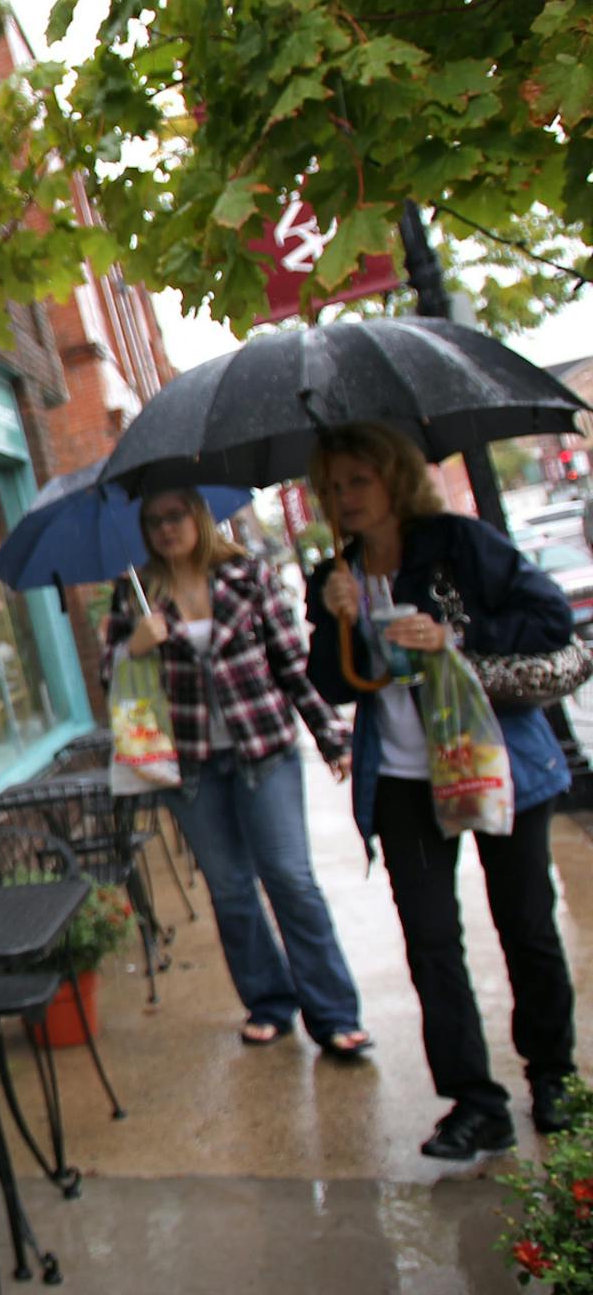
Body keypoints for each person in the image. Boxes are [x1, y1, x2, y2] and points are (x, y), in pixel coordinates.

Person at [305, 421, 578, 1161]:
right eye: (331, 486)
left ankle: (554, 1075)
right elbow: (332, 686)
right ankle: (474, 1102)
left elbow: (550, 617)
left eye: (357, 480)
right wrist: (336, 621)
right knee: (431, 944)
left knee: (525, 923)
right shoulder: (333, 573)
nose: (344, 497)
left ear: (393, 478)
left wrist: (453, 635)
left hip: (490, 759)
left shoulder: (458, 543)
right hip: (401, 780)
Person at [105, 487, 371, 1059]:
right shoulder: (136, 593)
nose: (165, 528)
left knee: (290, 879)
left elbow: (292, 666)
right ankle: (270, 1003)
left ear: (198, 517)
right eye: (153, 520)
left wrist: (332, 737)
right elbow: (111, 675)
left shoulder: (248, 578)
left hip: (264, 751)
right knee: (230, 889)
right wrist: (134, 645)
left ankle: (334, 1013)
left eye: (175, 515)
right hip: (190, 766)